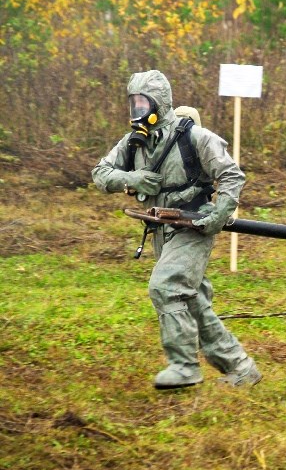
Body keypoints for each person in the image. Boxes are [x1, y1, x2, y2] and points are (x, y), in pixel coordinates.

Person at [92, 70, 262, 390]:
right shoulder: (134, 142)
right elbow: (101, 174)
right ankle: (241, 368)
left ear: (160, 102)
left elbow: (231, 176)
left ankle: (184, 367)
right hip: (160, 228)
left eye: (143, 102)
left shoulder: (194, 137)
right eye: (134, 102)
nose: (137, 110)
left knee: (166, 287)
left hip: (193, 226)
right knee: (192, 301)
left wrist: (218, 216)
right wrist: (132, 179)